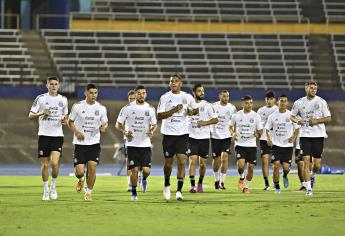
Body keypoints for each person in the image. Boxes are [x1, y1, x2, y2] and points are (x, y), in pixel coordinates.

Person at [157, 73, 198, 201]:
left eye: (176, 81)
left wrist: (192, 111)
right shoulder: (164, 97)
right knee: (168, 163)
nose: (173, 83)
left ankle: (179, 191)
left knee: (182, 161)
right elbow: (159, 116)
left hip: (183, 134)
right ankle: (167, 184)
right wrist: (174, 110)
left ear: (181, 84)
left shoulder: (187, 97)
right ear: (169, 84)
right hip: (169, 135)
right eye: (171, 81)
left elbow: (195, 110)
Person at [28, 76, 68, 201]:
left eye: (56, 84)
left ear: (58, 85)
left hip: (57, 135)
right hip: (44, 135)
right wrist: (41, 113)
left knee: (55, 163)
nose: (54, 86)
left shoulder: (63, 99)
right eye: (51, 84)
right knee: (45, 165)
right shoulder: (41, 98)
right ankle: (45, 191)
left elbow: (65, 118)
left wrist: (64, 120)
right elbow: (30, 115)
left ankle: (53, 187)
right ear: (47, 85)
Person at [115, 85, 157, 200]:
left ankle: (143, 179)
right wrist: (125, 131)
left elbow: (154, 124)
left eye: (144, 93)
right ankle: (134, 193)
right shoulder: (127, 108)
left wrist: (152, 131)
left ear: (146, 94)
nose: (141, 95)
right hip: (131, 144)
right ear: (136, 94)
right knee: (134, 170)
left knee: (146, 171)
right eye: (139, 93)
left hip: (145, 144)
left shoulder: (150, 109)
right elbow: (118, 124)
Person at [68, 84, 108, 201]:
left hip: (94, 143)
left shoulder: (101, 108)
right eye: (91, 92)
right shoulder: (77, 106)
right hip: (80, 143)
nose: (93, 95)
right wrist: (76, 132)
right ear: (85, 93)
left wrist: (103, 128)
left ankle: (89, 192)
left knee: (92, 168)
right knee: (79, 172)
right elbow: (70, 122)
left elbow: (105, 124)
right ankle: (80, 179)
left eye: (95, 93)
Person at [290, 80, 331, 196]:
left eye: (315, 88)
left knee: (317, 164)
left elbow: (328, 118)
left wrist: (317, 121)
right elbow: (292, 116)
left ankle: (312, 175)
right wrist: (299, 121)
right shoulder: (299, 103)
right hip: (305, 135)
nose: (313, 90)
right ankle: (308, 189)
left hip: (318, 135)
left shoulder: (321, 102)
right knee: (306, 161)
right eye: (311, 88)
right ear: (306, 88)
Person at [265, 94, 299, 194]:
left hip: (288, 146)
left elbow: (297, 129)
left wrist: (293, 137)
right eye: (281, 101)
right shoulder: (272, 116)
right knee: (275, 165)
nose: (283, 103)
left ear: (287, 103)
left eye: (285, 101)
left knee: (286, 168)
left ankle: (284, 175)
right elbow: (266, 129)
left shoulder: (291, 116)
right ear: (278, 102)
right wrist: (268, 139)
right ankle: (277, 187)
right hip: (276, 145)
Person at [188, 84, 218, 193]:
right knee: (192, 160)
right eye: (199, 91)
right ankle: (192, 186)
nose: (202, 93)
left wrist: (204, 123)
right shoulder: (188, 105)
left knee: (202, 163)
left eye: (203, 91)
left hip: (204, 138)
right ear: (194, 92)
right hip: (191, 137)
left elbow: (215, 120)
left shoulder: (208, 105)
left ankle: (200, 183)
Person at [230, 95, 262, 194]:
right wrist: (233, 133)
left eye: (251, 103)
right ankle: (241, 177)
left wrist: (258, 134)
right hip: (240, 144)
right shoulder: (236, 115)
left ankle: (246, 187)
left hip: (252, 145)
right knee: (241, 165)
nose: (249, 105)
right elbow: (230, 126)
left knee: (251, 168)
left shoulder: (256, 116)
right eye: (247, 103)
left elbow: (260, 130)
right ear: (243, 104)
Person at [211, 90, 236, 190]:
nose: (226, 98)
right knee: (216, 159)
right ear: (220, 96)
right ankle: (216, 179)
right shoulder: (213, 106)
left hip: (226, 136)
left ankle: (222, 181)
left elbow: (234, 122)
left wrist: (233, 133)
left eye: (227, 96)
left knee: (224, 158)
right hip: (215, 136)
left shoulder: (232, 108)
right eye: (224, 96)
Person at [257, 91, 278, 190]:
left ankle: (275, 182)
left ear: (274, 100)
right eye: (267, 99)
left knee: (275, 164)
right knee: (265, 161)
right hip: (264, 139)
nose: (269, 101)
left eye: (271, 99)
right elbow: (257, 124)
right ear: (265, 100)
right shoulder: (261, 111)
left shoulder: (278, 110)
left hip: (276, 140)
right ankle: (267, 184)